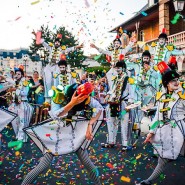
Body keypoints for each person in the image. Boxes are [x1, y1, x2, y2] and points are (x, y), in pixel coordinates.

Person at [22, 82, 103, 185]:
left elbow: (99, 108)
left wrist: (90, 124)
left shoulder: (85, 97)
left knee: (88, 164)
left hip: (74, 134)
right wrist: (72, 103)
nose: (81, 101)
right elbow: (56, 115)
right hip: (56, 132)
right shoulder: (59, 97)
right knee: (43, 165)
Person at [140, 62, 185, 185]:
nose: (176, 82)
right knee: (163, 160)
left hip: (182, 132)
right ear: (166, 83)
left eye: (177, 80)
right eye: (172, 81)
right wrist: (151, 132)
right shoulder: (161, 96)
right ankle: (148, 181)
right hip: (167, 133)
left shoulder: (182, 95)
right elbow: (157, 118)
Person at [32, 31, 83, 103]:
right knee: (48, 81)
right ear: (54, 42)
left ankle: (56, 96)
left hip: (56, 66)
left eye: (58, 42)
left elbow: (70, 49)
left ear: (60, 44)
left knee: (56, 81)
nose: (57, 43)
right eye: (56, 42)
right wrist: (35, 35)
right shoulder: (50, 48)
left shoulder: (62, 50)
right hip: (49, 65)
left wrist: (78, 46)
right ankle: (47, 98)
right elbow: (43, 42)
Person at [101, 61, 135, 151]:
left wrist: (129, 104)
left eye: (119, 68)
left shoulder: (128, 79)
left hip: (124, 104)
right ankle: (111, 141)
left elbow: (132, 94)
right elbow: (112, 90)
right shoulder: (115, 78)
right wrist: (108, 95)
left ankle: (125, 143)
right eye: (116, 68)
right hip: (113, 104)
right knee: (111, 122)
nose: (117, 69)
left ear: (123, 68)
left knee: (124, 123)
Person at [8, 67, 34, 149]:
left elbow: (25, 93)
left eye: (19, 74)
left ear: (22, 75)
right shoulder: (14, 82)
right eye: (16, 74)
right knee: (15, 121)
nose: (17, 75)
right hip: (14, 104)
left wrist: (15, 89)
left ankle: (21, 139)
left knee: (22, 122)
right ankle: (17, 137)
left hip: (23, 104)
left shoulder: (25, 82)